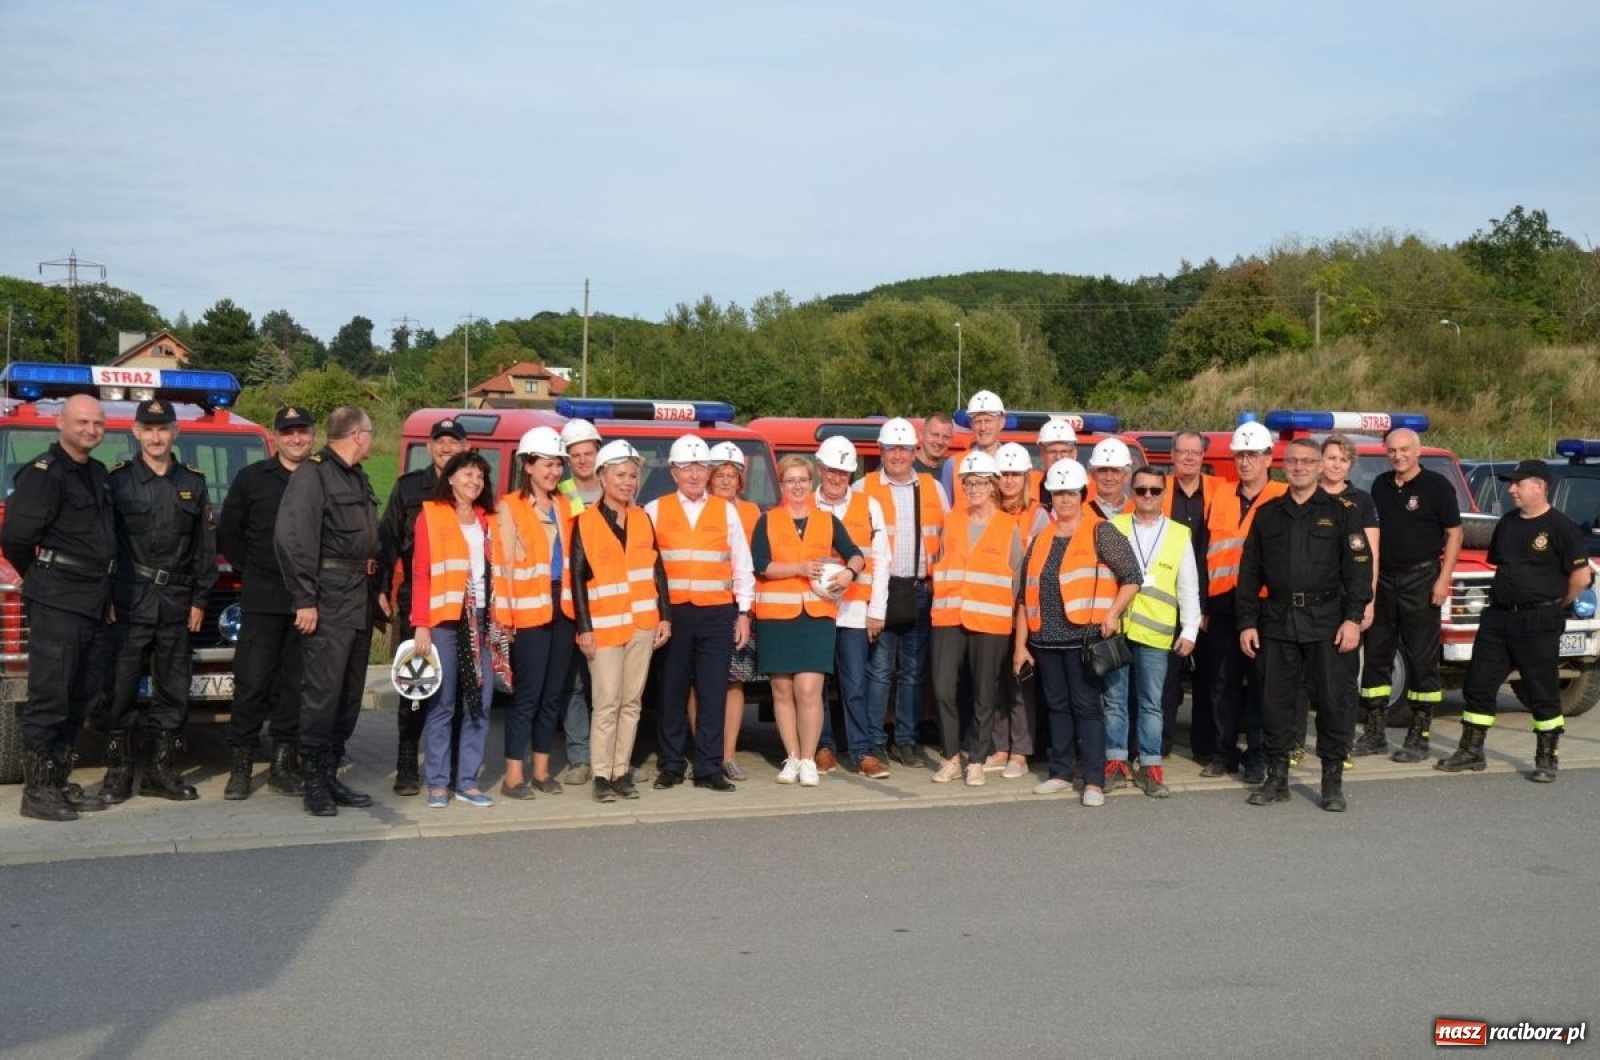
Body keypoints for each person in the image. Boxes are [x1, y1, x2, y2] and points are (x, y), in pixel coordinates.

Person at [1236, 438, 1373, 811]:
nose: (1299, 467)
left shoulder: (1342, 512)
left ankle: (1332, 782)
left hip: (1328, 621)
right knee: (1275, 703)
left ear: (1318, 467)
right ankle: (1276, 777)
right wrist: (1247, 621)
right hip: (1277, 621)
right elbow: (1248, 572)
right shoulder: (1268, 514)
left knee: (1333, 701)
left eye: (1306, 461)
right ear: (1284, 466)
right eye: (1292, 461)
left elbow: (1360, 571)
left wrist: (1353, 619)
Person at [1437, 460, 1589, 783]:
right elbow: (1500, 566)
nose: (1511, 489)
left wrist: (1555, 605)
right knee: (1479, 684)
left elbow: (1580, 577)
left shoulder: (1562, 527)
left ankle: (1546, 757)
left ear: (1540, 486)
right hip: (1499, 617)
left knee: (1541, 688)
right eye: (1511, 484)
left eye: (1519, 484)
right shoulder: (1507, 523)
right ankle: (1471, 751)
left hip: (1539, 620)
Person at [2, 394, 116, 821]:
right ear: (61, 424)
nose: (90, 429)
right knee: (49, 697)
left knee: (81, 694)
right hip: (57, 598)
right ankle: (38, 792)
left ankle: (60, 780)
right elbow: (14, 535)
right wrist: (36, 576)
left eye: (98, 423)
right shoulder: (43, 475)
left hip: (92, 597)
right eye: (82, 421)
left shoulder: (99, 474)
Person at [98, 398, 217, 803]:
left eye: (163, 428)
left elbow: (205, 547)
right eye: (148, 429)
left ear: (175, 432)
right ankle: (118, 772)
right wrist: (105, 595)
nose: (156, 436)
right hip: (129, 597)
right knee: (120, 688)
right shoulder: (117, 482)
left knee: (173, 691)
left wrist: (200, 598)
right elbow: (104, 544)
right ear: (135, 432)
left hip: (177, 602)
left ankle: (160, 772)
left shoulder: (193, 482)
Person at [275, 405, 382, 817]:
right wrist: (304, 598)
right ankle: (313, 782)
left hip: (359, 596)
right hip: (329, 597)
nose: (371, 440)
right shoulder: (313, 474)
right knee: (322, 695)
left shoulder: (355, 475)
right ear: (358, 434)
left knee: (348, 695)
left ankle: (332, 773)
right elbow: (292, 539)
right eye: (370, 432)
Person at [1015, 459, 1140, 807]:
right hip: (1045, 639)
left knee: (1086, 707)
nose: (1065, 500)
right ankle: (1059, 772)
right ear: (1051, 497)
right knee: (1056, 706)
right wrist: (1020, 646)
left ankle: (1094, 781)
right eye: (1058, 494)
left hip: (1084, 637)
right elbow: (1025, 596)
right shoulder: (1041, 538)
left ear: (1082, 494)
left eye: (1071, 493)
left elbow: (1132, 577)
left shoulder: (1101, 531)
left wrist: (1113, 613)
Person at [645, 434, 754, 793]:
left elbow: (742, 565)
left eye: (700, 467)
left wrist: (743, 613)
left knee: (712, 692)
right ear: (673, 472)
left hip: (717, 614)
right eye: (686, 467)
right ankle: (672, 764)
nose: (693, 474)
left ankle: (708, 767)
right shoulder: (655, 510)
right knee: (671, 692)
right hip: (672, 615)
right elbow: (647, 567)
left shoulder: (726, 511)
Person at [217, 405, 316, 800]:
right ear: (275, 437)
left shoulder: (320, 478)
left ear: (312, 435)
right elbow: (229, 534)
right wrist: (255, 570)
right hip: (261, 600)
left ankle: (281, 766)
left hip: (306, 601)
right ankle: (239, 769)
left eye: (303, 431)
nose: (296, 438)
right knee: (251, 685)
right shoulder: (252, 479)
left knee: (294, 688)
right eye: (288, 432)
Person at [569, 440, 671, 803]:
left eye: (632, 475)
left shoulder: (643, 518)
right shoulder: (584, 522)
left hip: (643, 623)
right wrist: (583, 629)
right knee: (607, 701)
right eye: (620, 475)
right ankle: (600, 774)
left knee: (632, 702)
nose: (627, 482)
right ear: (602, 476)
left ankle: (620, 771)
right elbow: (576, 578)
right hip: (605, 627)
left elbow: (658, 571)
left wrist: (666, 618)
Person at [752, 455, 864, 786]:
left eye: (803, 480)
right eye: (791, 481)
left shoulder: (827, 521)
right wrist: (798, 569)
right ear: (782, 485)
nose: (797, 486)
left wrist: (848, 573)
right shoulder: (767, 521)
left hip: (815, 617)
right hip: (776, 617)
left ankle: (809, 757)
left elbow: (856, 553)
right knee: (782, 691)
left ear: (811, 483)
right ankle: (792, 758)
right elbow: (761, 565)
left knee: (809, 689)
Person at [1358, 427, 1462, 763]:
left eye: (1404, 450)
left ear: (1418, 452)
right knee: (1376, 655)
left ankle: (1419, 735)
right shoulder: (1380, 486)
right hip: (1385, 581)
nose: (1398, 456)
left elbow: (1455, 533)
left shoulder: (1437, 487)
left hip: (1422, 579)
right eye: (1392, 451)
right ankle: (1374, 731)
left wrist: (1443, 580)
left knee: (1421, 658)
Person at [376, 417, 466, 796]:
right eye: (440, 442)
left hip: (463, 601)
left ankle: (453, 765)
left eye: (453, 442)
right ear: (429, 447)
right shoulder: (409, 488)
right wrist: (380, 588)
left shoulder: (471, 488)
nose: (446, 448)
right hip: (417, 598)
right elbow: (387, 541)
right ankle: (407, 765)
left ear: (465, 448)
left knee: (460, 688)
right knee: (416, 684)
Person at [929, 451, 1025, 786]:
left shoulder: (1007, 526)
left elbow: (1017, 580)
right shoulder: (952, 521)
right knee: (942, 688)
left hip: (990, 622)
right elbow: (941, 563)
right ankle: (951, 755)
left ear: (994, 485)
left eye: (981, 482)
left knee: (985, 694)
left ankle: (977, 760)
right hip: (948, 617)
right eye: (968, 483)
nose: (973, 489)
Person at [492, 427, 578, 798]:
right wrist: (505, 619)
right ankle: (514, 776)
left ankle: (542, 772)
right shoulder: (509, 506)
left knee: (553, 694)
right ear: (528, 466)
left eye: (559, 464)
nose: (554, 471)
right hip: (528, 612)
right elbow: (503, 565)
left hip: (564, 607)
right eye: (547, 464)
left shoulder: (567, 501)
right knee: (527, 695)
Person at [411, 450, 499, 809]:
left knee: (480, 703)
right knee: (443, 703)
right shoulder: (430, 515)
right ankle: (437, 783)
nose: (474, 481)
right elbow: (421, 573)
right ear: (449, 477)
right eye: (467, 474)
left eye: (479, 476)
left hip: (484, 620)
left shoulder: (490, 519)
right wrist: (421, 626)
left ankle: (467, 781)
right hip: (445, 621)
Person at [1201, 421, 1287, 784]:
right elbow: (1206, 550)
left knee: (1261, 683)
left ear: (1269, 457)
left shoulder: (1283, 496)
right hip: (1222, 601)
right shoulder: (1220, 494)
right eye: (1240, 455)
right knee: (1222, 681)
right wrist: (1203, 606)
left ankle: (1257, 755)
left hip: (1266, 604)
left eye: (1253, 455)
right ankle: (1224, 753)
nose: (1246, 462)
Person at [859, 418, 948, 767]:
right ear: (880, 451)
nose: (897, 455)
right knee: (879, 671)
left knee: (913, 671)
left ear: (915, 452)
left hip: (920, 589)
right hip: (881, 592)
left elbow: (947, 538)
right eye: (891, 449)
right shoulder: (862, 488)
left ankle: (907, 739)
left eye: (904, 449)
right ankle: (876, 739)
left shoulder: (932, 488)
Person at [1110, 466, 1201, 797]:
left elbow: (1188, 584)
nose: (1148, 495)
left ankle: (1150, 766)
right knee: (1115, 702)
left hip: (1156, 636)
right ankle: (1115, 764)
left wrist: (1190, 628)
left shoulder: (1178, 534)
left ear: (1165, 494)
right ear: (1132, 492)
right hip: (1117, 632)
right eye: (1141, 489)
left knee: (1151, 703)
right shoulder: (1114, 527)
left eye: (1155, 490)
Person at [1295, 433, 1379, 767]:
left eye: (1343, 460)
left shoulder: (1361, 502)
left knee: (1341, 681)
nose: (1336, 465)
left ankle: (1340, 746)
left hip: (1347, 603)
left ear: (1350, 465)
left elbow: (1370, 555)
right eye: (1331, 457)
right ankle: (1294, 745)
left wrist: (1366, 604)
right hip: (1309, 603)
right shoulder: (1304, 497)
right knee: (1300, 679)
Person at [812, 437, 891, 779]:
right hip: (815, 610)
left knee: (855, 685)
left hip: (857, 612)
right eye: (831, 470)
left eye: (844, 472)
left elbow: (883, 561)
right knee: (817, 685)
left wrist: (878, 610)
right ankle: (824, 747)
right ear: (820, 469)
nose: (837, 477)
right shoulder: (805, 505)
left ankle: (862, 751)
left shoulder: (869, 505)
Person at [985, 442, 1047, 778]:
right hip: (991, 609)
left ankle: (1020, 751)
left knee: (1020, 681)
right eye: (1003, 474)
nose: (1008, 481)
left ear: (1026, 478)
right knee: (995, 682)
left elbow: (1037, 565)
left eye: (1014, 474)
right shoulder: (986, 512)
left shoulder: (1038, 515)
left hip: (1023, 610)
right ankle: (1000, 745)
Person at [1162, 430, 1222, 764]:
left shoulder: (1218, 492)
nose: (1188, 458)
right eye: (1182, 452)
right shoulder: (1159, 490)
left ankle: (1206, 747)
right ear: (1172, 456)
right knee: (1166, 680)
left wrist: (1205, 607)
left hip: (1207, 598)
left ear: (1203, 457)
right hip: (1166, 601)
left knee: (1210, 679)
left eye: (1194, 453)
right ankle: (1161, 745)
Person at [704, 441, 761, 780]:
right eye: (720, 474)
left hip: (740, 607)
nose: (726, 480)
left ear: (740, 480)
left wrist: (747, 608)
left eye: (732, 475)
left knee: (734, 683)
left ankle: (727, 754)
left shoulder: (753, 512)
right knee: (703, 684)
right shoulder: (699, 509)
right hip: (706, 605)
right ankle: (705, 751)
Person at [555, 417, 605, 784]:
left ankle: (609, 758)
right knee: (573, 682)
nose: (583, 460)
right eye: (576, 455)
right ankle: (579, 756)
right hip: (574, 598)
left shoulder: (616, 487)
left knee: (607, 685)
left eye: (588, 453)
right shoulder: (562, 493)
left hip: (610, 601)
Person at [941, 389, 1006, 500]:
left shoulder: (1014, 461)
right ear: (971, 424)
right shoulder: (952, 465)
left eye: (988, 420)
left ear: (1001, 422)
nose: (983, 427)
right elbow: (945, 512)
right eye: (977, 421)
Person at [1030, 417, 1079, 507]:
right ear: (1042, 454)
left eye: (1064, 451)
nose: (1058, 457)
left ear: (1074, 453)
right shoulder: (1028, 488)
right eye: (1052, 452)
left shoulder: (1089, 488)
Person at [913, 411, 955, 477]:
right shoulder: (906, 468)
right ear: (921, 435)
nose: (940, 442)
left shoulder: (951, 471)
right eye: (935, 435)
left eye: (946, 437)